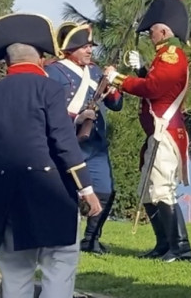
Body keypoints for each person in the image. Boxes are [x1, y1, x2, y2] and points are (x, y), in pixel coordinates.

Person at [0, 13, 102, 298]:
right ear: (41, 59)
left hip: (6, 199)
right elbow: (64, 143)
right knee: (59, 271)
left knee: (15, 279)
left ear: (7, 63)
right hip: (52, 195)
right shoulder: (50, 89)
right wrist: (87, 188)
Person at [105, 0, 191, 263]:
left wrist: (119, 79)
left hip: (165, 132)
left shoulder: (171, 56)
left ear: (165, 30)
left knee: (161, 189)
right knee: (149, 189)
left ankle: (180, 247)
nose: (149, 32)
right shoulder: (162, 56)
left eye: (153, 28)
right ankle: (163, 245)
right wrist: (141, 70)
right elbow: (153, 85)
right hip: (156, 131)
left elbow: (154, 89)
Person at [45, 22, 123, 254]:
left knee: (105, 190)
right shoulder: (53, 71)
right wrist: (76, 118)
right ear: (69, 49)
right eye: (84, 46)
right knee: (63, 193)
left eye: (90, 46)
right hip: (66, 141)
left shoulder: (97, 72)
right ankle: (62, 238)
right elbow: (48, 107)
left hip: (95, 144)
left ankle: (91, 239)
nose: (89, 50)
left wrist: (114, 81)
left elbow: (116, 104)